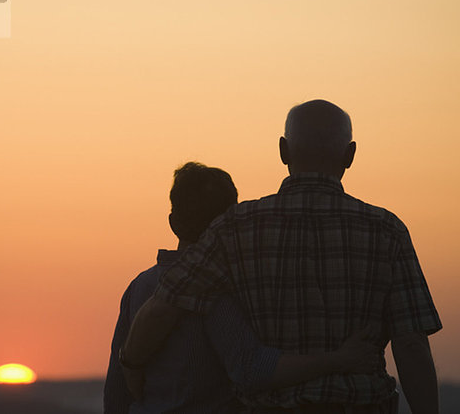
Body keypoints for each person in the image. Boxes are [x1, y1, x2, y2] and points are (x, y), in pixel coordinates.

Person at [121, 101, 442, 414]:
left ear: (283, 150)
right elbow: (411, 345)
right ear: (350, 155)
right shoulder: (387, 231)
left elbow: (163, 307)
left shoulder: (234, 228)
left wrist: (131, 365)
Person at [105, 162, 380, 413]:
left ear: (173, 222)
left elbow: (116, 392)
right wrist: (340, 359)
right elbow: (252, 369)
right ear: (231, 221)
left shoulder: (139, 287)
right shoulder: (217, 289)